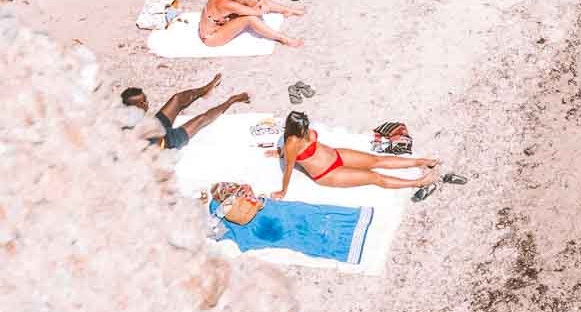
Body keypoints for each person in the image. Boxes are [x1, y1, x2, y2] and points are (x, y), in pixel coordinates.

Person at [274, 108, 440, 194]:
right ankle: (418, 182)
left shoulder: (296, 135)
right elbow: (289, 167)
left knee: (377, 160)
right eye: (304, 127)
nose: (307, 129)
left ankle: (422, 162)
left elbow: (290, 151)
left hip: (336, 155)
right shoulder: (291, 143)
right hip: (327, 173)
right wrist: (283, 190)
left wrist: (280, 152)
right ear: (295, 129)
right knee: (375, 177)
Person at [119, 76, 249, 150]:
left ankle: (204, 90)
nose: (146, 104)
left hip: (156, 126)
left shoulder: (132, 116)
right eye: (141, 103)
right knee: (201, 119)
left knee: (177, 99)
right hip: (167, 141)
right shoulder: (129, 131)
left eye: (145, 100)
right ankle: (232, 101)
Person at [200, 0, 305, 49]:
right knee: (249, 18)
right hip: (211, 37)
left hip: (220, 22)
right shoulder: (227, 4)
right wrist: (262, 7)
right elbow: (258, 12)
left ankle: (288, 10)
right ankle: (284, 39)